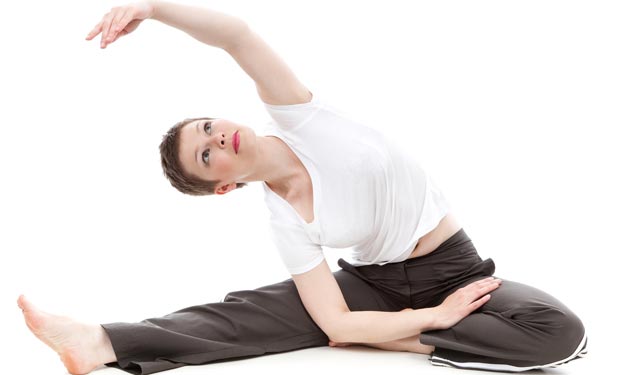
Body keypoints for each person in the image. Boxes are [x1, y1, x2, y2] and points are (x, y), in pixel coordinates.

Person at [17, 1, 587, 374]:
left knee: (559, 333)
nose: (219, 139)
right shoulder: (285, 220)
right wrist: (432, 319)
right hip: (379, 285)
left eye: (210, 128)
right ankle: (101, 342)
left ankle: (400, 344)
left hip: (454, 269)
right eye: (206, 153)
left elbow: (237, 36)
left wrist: (155, 8)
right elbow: (338, 324)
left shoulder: (299, 116)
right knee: (250, 314)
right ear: (223, 186)